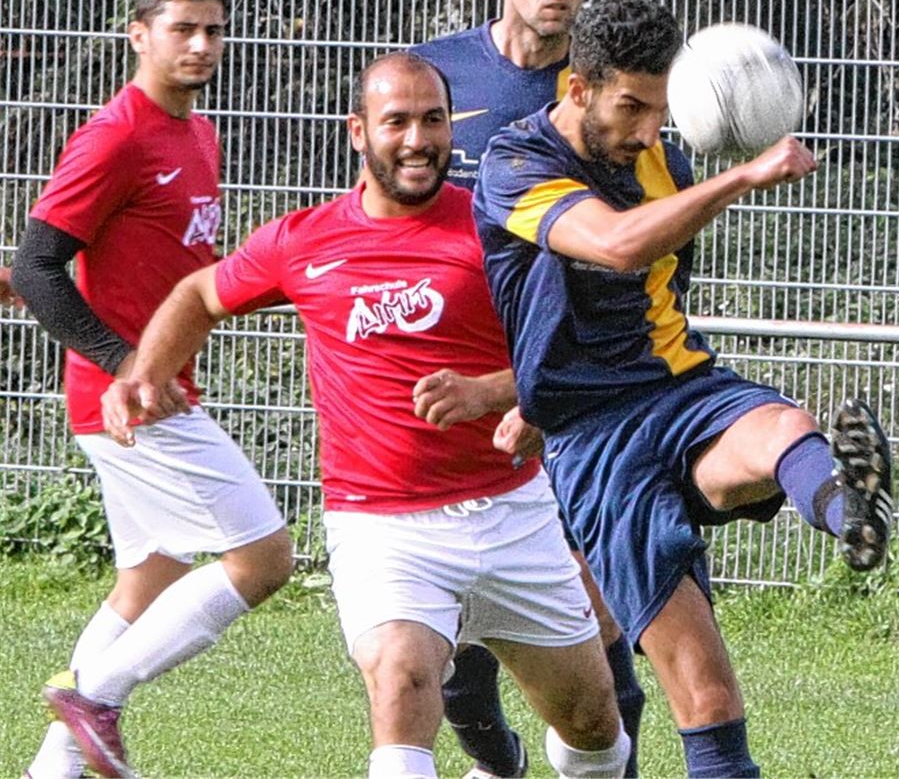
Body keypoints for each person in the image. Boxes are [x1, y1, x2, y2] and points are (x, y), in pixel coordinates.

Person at [100, 51, 631, 779]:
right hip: (383, 528)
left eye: (434, 120)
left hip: (513, 515)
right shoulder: (303, 240)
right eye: (398, 122)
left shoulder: (497, 224)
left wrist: (503, 393)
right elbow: (199, 295)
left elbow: (583, 349)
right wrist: (144, 373)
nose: (418, 139)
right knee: (402, 684)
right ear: (358, 132)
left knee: (593, 722)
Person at [474, 0, 894, 777]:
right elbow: (618, 246)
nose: (645, 131)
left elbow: (656, 292)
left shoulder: (666, 160)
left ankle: (850, 513)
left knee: (781, 428)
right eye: (630, 107)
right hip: (597, 440)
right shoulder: (516, 162)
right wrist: (745, 177)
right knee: (706, 696)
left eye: (659, 110)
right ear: (578, 88)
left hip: (680, 387)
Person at [10, 0, 294, 779]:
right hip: (134, 401)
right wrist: (125, 362)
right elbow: (36, 267)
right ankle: (97, 693)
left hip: (157, 391)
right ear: (139, 35)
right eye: (182, 29)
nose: (201, 44)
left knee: (148, 582)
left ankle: (52, 768)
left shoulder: (197, 131)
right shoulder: (116, 135)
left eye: (213, 29)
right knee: (265, 559)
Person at [412, 0, 647, 775]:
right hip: (448, 384)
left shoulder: (612, 98)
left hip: (567, 389)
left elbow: (634, 263)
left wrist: (550, 392)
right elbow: (384, 228)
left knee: (596, 635)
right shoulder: (436, 75)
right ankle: (497, 764)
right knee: (459, 657)